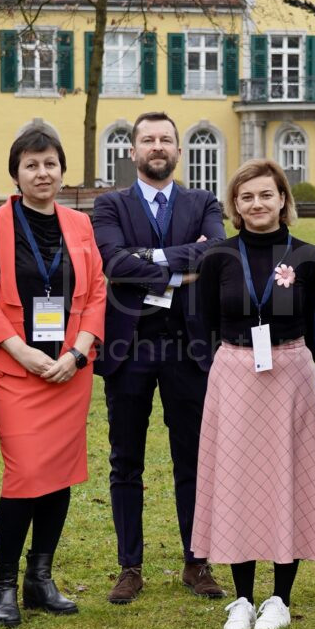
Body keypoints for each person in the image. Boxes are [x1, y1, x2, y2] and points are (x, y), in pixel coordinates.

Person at [0, 121, 106, 628]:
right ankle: (4, 582)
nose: (42, 172)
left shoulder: (80, 225)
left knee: (60, 473)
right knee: (25, 473)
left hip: (69, 371)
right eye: (32, 165)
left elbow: (94, 293)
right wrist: (20, 352)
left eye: (50, 164)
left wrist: (80, 352)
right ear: (16, 173)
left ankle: (40, 577)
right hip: (14, 369)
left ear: (61, 170)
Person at [191, 160, 315, 629]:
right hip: (234, 373)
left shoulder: (308, 257)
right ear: (235, 205)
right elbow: (200, 321)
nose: (257, 204)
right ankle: (240, 598)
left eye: (266, 195)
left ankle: (279, 597)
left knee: (286, 476)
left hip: (291, 373)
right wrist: (218, 366)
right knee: (236, 481)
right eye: (246, 197)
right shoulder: (218, 257)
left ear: (282, 200)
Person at [90, 112, 226, 604]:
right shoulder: (108, 206)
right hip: (130, 347)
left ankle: (197, 561)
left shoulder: (204, 201)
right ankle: (130, 566)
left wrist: (143, 261)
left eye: (166, 139)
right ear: (133, 151)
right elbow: (111, 261)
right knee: (126, 460)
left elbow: (215, 255)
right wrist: (177, 263)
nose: (157, 146)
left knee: (192, 457)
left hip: (189, 349)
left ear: (178, 150)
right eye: (147, 139)